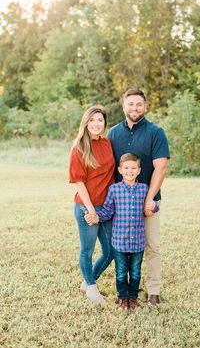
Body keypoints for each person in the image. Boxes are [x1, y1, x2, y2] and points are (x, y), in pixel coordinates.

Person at [107, 89, 170, 306]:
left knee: (152, 246)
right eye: (130, 104)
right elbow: (107, 168)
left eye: (139, 104)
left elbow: (160, 167)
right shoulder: (113, 134)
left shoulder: (155, 132)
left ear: (145, 106)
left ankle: (153, 290)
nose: (134, 108)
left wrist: (149, 199)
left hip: (148, 201)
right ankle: (124, 291)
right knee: (119, 248)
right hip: (121, 205)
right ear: (124, 106)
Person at [85, 153, 159, 310]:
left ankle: (132, 298)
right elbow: (107, 211)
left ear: (139, 170)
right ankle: (122, 298)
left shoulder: (144, 189)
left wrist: (154, 206)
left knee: (135, 272)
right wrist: (96, 217)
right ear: (120, 170)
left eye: (133, 168)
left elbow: (150, 207)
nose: (129, 171)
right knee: (120, 272)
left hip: (138, 240)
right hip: (119, 240)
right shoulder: (114, 190)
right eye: (126, 168)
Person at [69, 106, 115, 305]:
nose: (96, 124)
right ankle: (91, 288)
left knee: (111, 251)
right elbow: (79, 182)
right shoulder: (79, 148)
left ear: (104, 123)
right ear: (85, 123)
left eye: (100, 120)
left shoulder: (107, 143)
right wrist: (90, 210)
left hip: (106, 207)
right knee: (87, 250)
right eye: (92, 120)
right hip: (87, 207)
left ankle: (87, 281)